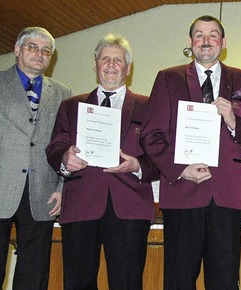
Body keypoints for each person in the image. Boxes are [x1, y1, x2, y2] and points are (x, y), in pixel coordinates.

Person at [140, 15, 241, 290]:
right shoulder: (167, 78)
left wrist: (233, 120)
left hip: (226, 196)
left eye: (212, 35)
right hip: (182, 192)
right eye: (199, 35)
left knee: (224, 280)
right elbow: (151, 135)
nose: (206, 41)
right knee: (179, 279)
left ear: (223, 42)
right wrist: (179, 169)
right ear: (190, 42)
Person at [45, 33, 158, 290]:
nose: (110, 64)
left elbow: (160, 155)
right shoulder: (71, 105)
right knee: (78, 282)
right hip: (81, 205)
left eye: (117, 60)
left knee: (127, 283)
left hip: (129, 207)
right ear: (95, 65)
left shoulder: (148, 106)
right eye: (105, 58)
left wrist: (138, 165)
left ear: (128, 68)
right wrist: (65, 157)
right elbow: (55, 146)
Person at [0, 26, 71, 290]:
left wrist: (63, 187)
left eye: (46, 50)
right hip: (2, 185)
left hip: (43, 192)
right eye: (32, 47)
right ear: (17, 50)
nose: (39, 54)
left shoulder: (63, 93)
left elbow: (66, 145)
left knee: (34, 271)